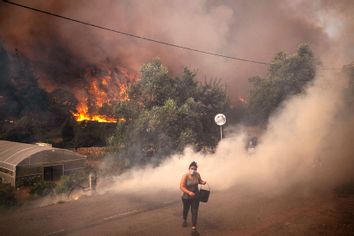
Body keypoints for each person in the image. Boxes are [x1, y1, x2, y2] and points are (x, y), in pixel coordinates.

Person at [180, 161, 207, 234]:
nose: (193, 170)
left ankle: (193, 228)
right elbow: (181, 186)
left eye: (195, 169)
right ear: (189, 169)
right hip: (186, 196)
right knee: (186, 210)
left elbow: (199, 181)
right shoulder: (185, 176)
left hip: (196, 195)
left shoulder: (197, 174)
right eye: (192, 168)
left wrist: (202, 182)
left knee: (194, 211)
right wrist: (188, 192)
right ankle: (184, 220)